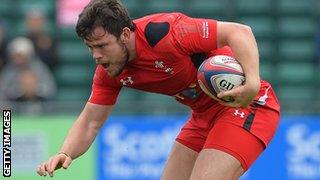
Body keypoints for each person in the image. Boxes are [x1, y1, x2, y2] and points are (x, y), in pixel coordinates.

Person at [37, 0, 280, 179]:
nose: (96, 56)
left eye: (101, 45)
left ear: (124, 34)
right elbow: (91, 121)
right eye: (90, 48)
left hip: (248, 105)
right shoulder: (110, 70)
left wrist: (252, 83)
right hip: (202, 117)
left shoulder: (168, 32)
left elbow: (239, 31)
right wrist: (66, 152)